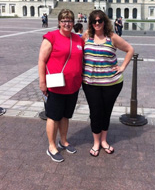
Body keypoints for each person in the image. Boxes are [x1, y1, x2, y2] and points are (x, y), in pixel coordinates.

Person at [82, 10, 134, 157]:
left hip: (111, 83)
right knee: (95, 112)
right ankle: (96, 142)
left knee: (106, 112)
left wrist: (122, 67)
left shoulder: (112, 37)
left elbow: (130, 49)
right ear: (91, 23)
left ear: (105, 21)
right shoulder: (87, 36)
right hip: (90, 82)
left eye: (99, 21)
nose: (97, 23)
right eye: (94, 21)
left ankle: (104, 140)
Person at [38, 9, 84, 163]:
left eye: (70, 20)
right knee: (53, 116)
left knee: (65, 116)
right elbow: (42, 61)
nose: (67, 23)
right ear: (59, 22)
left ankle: (63, 141)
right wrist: (42, 82)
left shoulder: (77, 39)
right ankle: (51, 146)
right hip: (55, 85)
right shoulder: (51, 37)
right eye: (64, 20)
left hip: (72, 85)